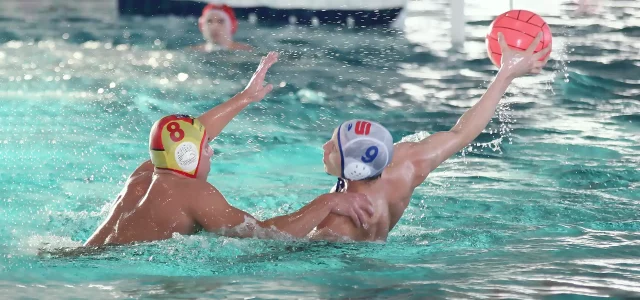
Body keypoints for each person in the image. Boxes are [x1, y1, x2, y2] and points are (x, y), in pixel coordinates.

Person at [84, 52, 373, 246]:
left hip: (86, 256)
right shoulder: (193, 193)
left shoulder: (145, 174)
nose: (211, 151)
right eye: (206, 147)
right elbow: (266, 236)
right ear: (186, 156)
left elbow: (193, 132)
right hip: (121, 270)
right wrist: (328, 202)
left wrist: (245, 97)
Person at [309, 32, 552, 242]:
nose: (325, 146)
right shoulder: (406, 164)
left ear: (353, 168)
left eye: (334, 147)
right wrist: (506, 74)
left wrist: (324, 204)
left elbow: (278, 250)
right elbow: (462, 133)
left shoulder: (336, 224)